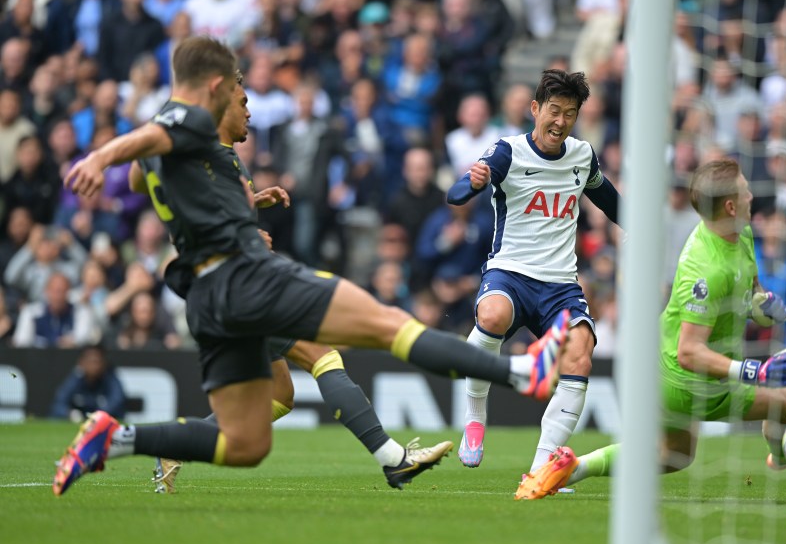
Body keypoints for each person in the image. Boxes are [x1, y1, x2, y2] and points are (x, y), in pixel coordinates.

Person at [54, 36, 569, 497]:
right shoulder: (186, 115)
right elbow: (153, 133)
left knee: (246, 441)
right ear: (213, 87)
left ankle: (117, 438)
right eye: (240, 96)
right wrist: (100, 158)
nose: (248, 110)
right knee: (384, 323)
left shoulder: (181, 154)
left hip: (210, 298)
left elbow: (162, 178)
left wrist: (244, 202)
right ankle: (521, 370)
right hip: (248, 276)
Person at [133, 72, 455, 493]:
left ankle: (171, 446)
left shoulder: (227, 157)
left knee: (280, 396)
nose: (250, 111)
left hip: (231, 290)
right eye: (244, 103)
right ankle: (393, 458)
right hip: (236, 288)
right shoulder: (211, 156)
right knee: (323, 354)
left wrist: (253, 204)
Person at [515, 159, 786, 500]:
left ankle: (574, 467)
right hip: (685, 380)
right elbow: (689, 351)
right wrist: (755, 370)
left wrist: (762, 304)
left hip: (675, 368)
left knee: (673, 454)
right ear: (730, 205)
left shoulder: (739, 231)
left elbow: (751, 290)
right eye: (745, 190)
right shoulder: (706, 271)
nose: (752, 195)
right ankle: (781, 457)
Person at [445, 69, 621, 493]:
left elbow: (606, 195)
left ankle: (544, 470)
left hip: (560, 284)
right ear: (535, 110)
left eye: (570, 114)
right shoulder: (508, 152)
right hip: (510, 271)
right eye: (554, 111)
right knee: (492, 312)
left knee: (581, 354)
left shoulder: (582, 155)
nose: (560, 122)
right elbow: (455, 194)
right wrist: (470, 183)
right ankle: (475, 415)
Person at [49, 344, 126, 422]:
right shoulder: (75, 379)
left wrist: (97, 416)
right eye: (90, 361)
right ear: (81, 363)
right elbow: (59, 403)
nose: (94, 366)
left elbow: (117, 401)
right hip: (79, 424)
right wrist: (70, 414)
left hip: (103, 423)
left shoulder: (110, 378)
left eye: (97, 362)